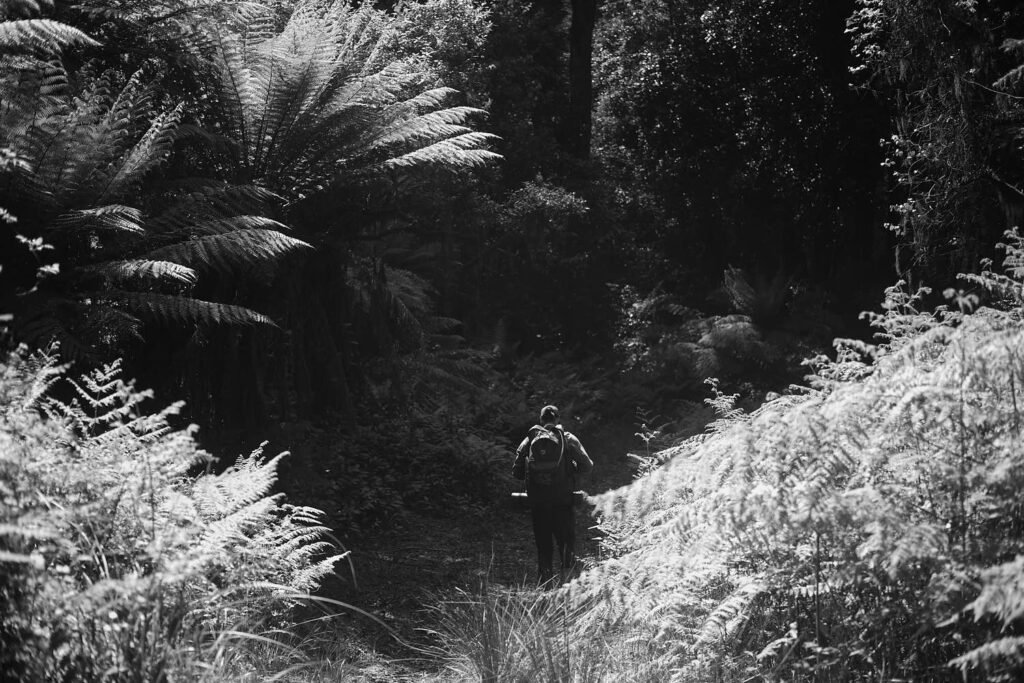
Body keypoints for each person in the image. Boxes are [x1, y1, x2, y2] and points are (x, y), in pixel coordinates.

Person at [513, 404, 593, 586]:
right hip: (563, 502)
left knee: (544, 546)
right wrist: (571, 471)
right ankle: (569, 588)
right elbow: (587, 465)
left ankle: (545, 588)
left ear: (541, 420)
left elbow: (516, 472)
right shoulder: (568, 438)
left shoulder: (530, 439)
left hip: (538, 503)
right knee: (566, 543)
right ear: (557, 419)